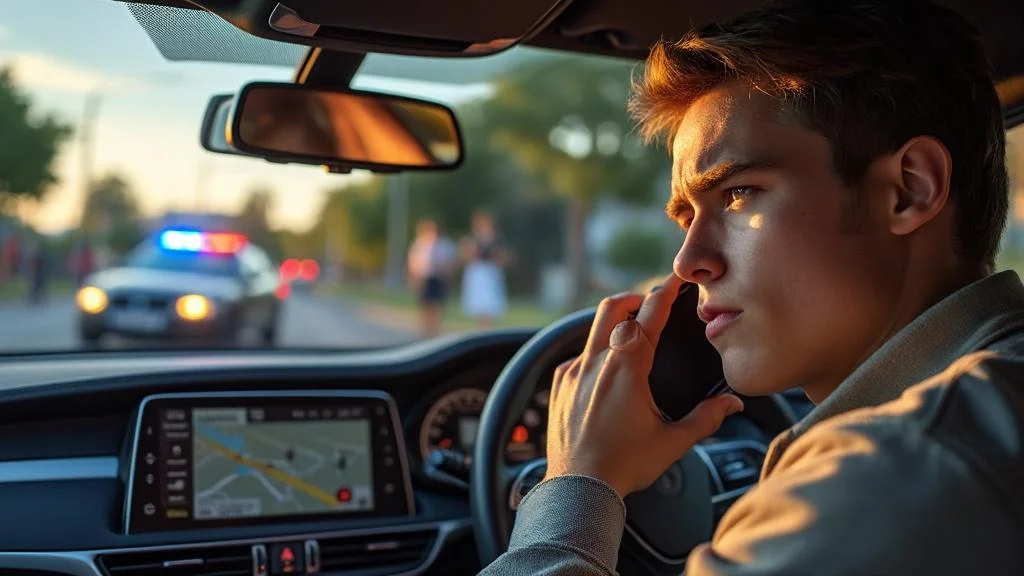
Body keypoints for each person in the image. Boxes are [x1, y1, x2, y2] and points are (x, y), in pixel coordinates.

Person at [481, 0, 1024, 574]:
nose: (689, 263)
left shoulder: (885, 478)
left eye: (738, 193)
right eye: (686, 217)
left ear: (909, 190)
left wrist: (578, 485)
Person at [407, 218, 457, 337]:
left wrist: (446, 271)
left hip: (439, 278)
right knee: (425, 307)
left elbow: (452, 263)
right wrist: (414, 279)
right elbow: (412, 263)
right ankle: (426, 333)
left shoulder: (444, 245)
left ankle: (435, 333)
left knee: (437, 307)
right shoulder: (419, 244)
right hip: (424, 279)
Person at [459, 211, 509, 329]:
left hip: (490, 273)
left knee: (490, 305)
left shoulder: (497, 239)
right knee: (478, 306)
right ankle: (481, 328)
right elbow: (465, 256)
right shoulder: (472, 239)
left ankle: (488, 328)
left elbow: (504, 258)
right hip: (476, 273)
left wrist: (496, 257)